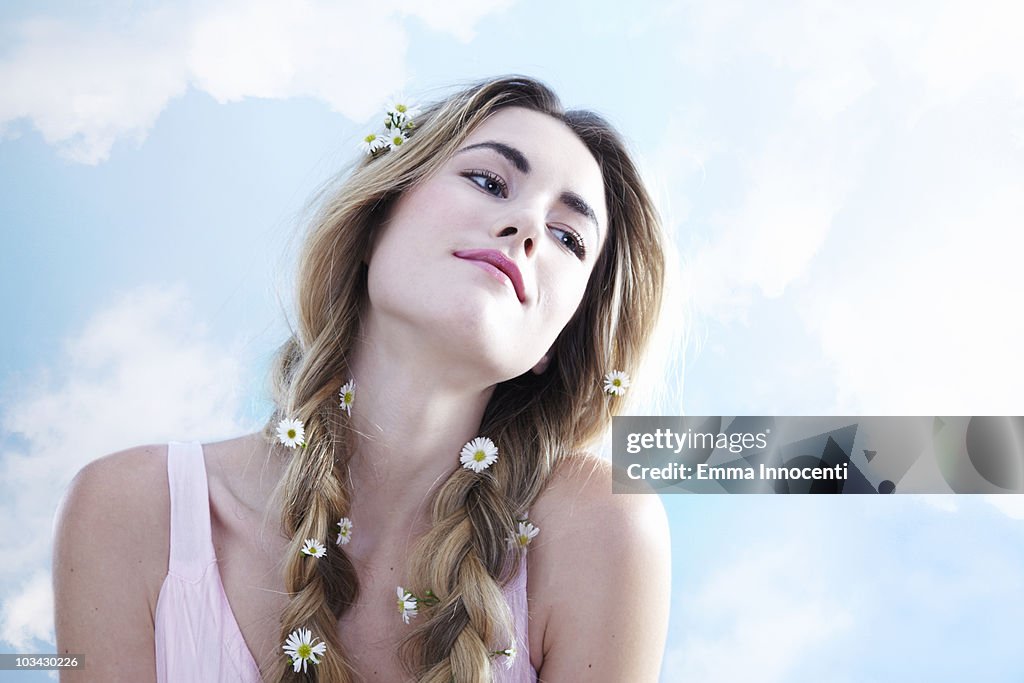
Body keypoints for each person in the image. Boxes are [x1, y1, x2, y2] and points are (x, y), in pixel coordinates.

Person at [52, 75, 671, 682]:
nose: (529, 229)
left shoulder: (598, 527)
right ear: (376, 220)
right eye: (489, 181)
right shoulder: (130, 509)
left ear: (558, 341)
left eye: (569, 237)